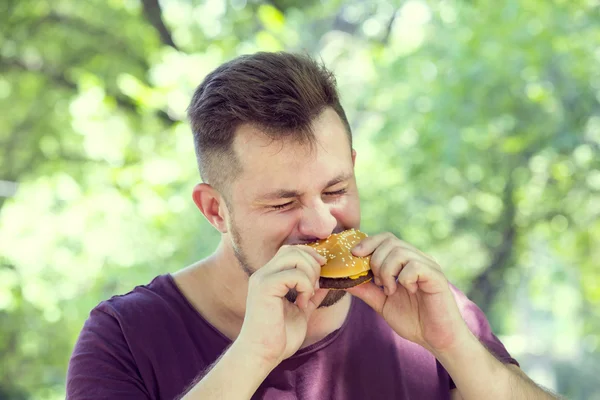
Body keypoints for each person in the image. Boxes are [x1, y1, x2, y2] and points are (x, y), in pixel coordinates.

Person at [66, 52, 560, 400]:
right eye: (284, 202)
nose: (324, 222)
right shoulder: (124, 337)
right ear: (215, 210)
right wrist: (252, 357)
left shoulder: (431, 305)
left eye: (335, 190)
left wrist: (452, 349)